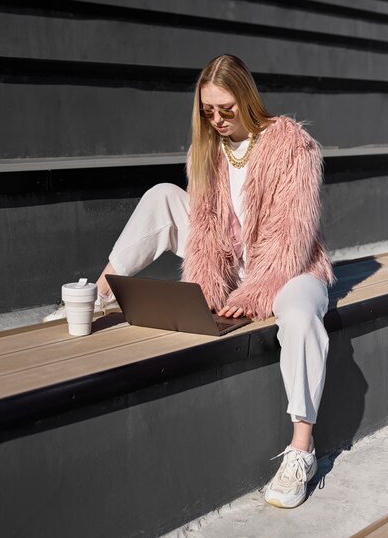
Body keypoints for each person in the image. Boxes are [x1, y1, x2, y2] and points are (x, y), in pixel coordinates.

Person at [46, 54, 335, 509]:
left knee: (299, 315)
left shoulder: (291, 147)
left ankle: (302, 448)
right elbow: (202, 234)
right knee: (162, 196)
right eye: (208, 111)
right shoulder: (207, 152)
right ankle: (99, 292)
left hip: (288, 270)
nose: (217, 120)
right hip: (233, 265)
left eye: (226, 109)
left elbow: (289, 243)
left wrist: (253, 294)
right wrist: (206, 292)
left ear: (246, 98)